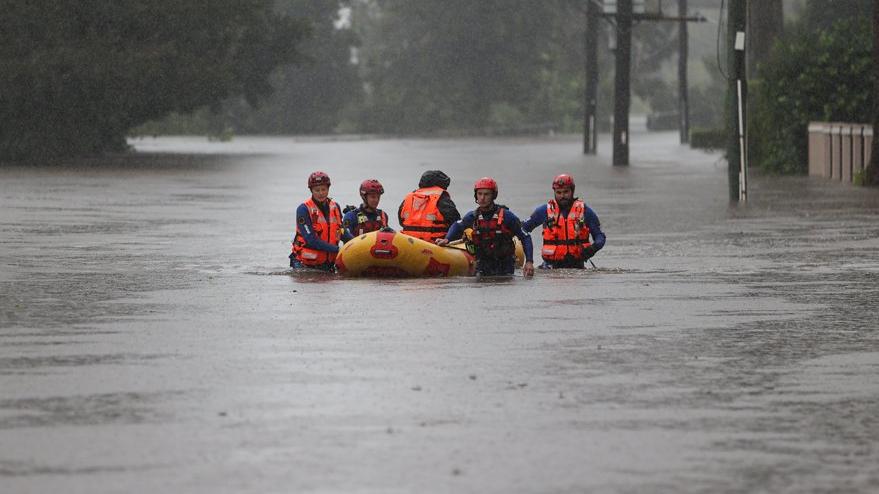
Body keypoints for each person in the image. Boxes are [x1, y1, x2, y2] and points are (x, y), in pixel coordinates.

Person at [436, 177, 534, 277]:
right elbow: (457, 226)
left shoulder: (507, 216)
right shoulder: (473, 216)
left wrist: (529, 262)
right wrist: (447, 239)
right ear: (476, 195)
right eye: (480, 194)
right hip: (482, 266)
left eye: (486, 194)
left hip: (505, 268)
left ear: (493, 196)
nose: (482, 198)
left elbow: (525, 237)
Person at [522, 174, 606, 269]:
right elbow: (523, 229)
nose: (562, 196)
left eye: (566, 192)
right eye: (559, 192)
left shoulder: (585, 211)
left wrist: (593, 248)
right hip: (549, 268)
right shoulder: (544, 211)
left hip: (577, 266)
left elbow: (600, 236)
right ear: (554, 192)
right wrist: (528, 259)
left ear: (572, 191)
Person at [289, 171, 343, 271]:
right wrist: (338, 250)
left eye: (324, 189)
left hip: (328, 264)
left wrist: (358, 243)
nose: (321, 193)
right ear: (311, 190)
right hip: (303, 264)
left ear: (328, 189)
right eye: (317, 190)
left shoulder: (335, 207)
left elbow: (342, 232)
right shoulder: (303, 209)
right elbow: (311, 240)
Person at [398, 170, 461, 242]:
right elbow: (456, 222)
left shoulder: (409, 198)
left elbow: (401, 221)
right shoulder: (441, 198)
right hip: (434, 244)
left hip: (409, 242)